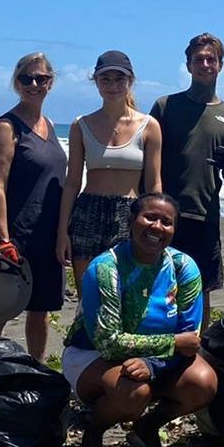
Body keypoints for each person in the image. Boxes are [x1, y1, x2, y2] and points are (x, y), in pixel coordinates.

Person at [63, 193, 218, 447]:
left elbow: (190, 340)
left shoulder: (183, 268)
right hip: (92, 355)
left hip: (155, 361)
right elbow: (108, 341)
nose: (157, 227)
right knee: (134, 392)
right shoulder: (105, 268)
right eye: (150, 217)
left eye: (166, 222)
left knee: (203, 383)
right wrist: (170, 345)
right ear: (132, 220)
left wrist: (153, 364)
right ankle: (94, 431)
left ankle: (146, 428)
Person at [150, 34, 224, 326]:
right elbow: (146, 155)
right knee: (156, 285)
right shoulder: (166, 106)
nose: (205, 64)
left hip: (204, 215)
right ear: (189, 65)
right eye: (199, 60)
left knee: (199, 289)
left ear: (220, 65)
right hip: (164, 214)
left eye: (211, 59)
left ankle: (196, 352)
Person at [0, 52, 69, 359]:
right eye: (26, 78)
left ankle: (37, 369)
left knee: (40, 310)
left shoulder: (51, 125)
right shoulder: (7, 126)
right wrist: (3, 239)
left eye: (40, 79)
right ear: (16, 83)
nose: (33, 84)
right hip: (16, 234)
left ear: (50, 83)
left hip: (48, 233)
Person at [57, 50, 162, 293]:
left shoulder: (149, 126)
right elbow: (72, 182)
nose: (112, 85)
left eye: (119, 78)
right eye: (105, 79)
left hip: (130, 214)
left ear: (130, 81)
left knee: (126, 294)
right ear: (96, 82)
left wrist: (156, 225)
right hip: (87, 213)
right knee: (89, 295)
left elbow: (154, 185)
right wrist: (63, 232)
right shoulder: (81, 125)